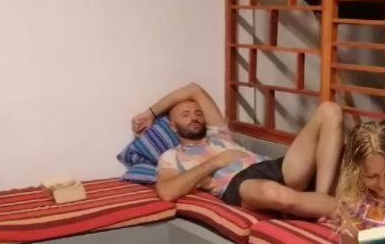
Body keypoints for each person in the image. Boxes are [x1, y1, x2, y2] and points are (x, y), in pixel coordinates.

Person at [130, 82, 341, 219]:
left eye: (198, 113)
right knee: (274, 193)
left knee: (329, 110)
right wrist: (216, 162)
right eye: (185, 115)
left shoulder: (217, 132)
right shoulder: (172, 156)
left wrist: (150, 113)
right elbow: (167, 192)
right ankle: (346, 215)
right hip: (239, 182)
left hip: (271, 165)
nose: (194, 117)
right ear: (173, 126)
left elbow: (193, 89)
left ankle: (321, 201)